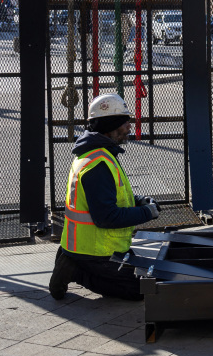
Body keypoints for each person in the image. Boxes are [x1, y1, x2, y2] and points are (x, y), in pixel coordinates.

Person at [49, 93, 160, 300]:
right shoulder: (98, 165)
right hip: (96, 252)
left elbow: (111, 194)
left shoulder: (97, 154)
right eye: (125, 122)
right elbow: (106, 217)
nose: (129, 127)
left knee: (149, 276)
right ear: (111, 126)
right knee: (143, 290)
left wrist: (137, 200)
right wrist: (146, 213)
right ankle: (76, 271)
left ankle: (71, 259)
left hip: (93, 246)